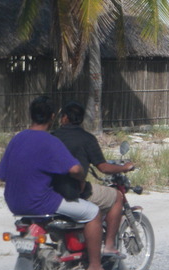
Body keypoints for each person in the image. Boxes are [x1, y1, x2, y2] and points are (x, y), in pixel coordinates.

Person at [0, 96, 117, 270]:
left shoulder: (17, 139)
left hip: (14, 202)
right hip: (40, 202)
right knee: (93, 212)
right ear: (53, 117)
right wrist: (80, 176)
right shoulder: (50, 140)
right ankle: (95, 267)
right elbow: (74, 169)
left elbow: (2, 175)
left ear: (31, 115)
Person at [52, 100, 135, 258]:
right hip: (75, 190)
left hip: (52, 189)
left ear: (64, 118)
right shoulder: (87, 138)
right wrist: (124, 167)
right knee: (117, 197)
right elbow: (103, 167)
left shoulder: (52, 137)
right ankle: (109, 245)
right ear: (81, 119)